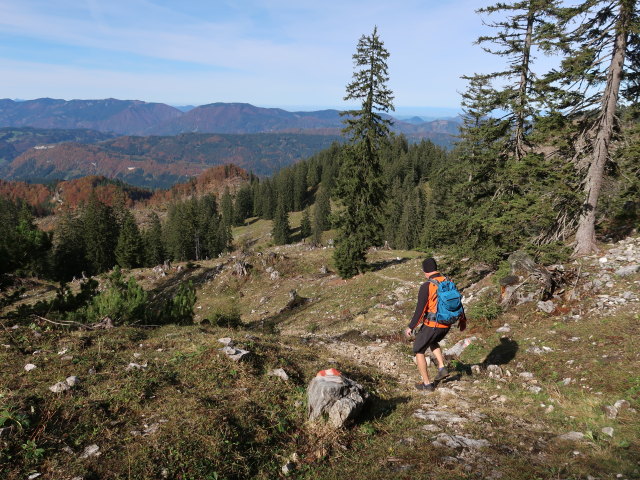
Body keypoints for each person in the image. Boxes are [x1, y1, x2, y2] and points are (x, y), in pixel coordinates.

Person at [404, 257, 466, 391]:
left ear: (425, 271)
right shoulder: (448, 281)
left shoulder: (427, 285)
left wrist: (411, 326)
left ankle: (427, 384)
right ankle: (442, 367)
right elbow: (458, 302)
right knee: (433, 342)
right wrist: (462, 320)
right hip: (447, 324)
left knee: (418, 350)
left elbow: (420, 310)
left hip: (433, 324)